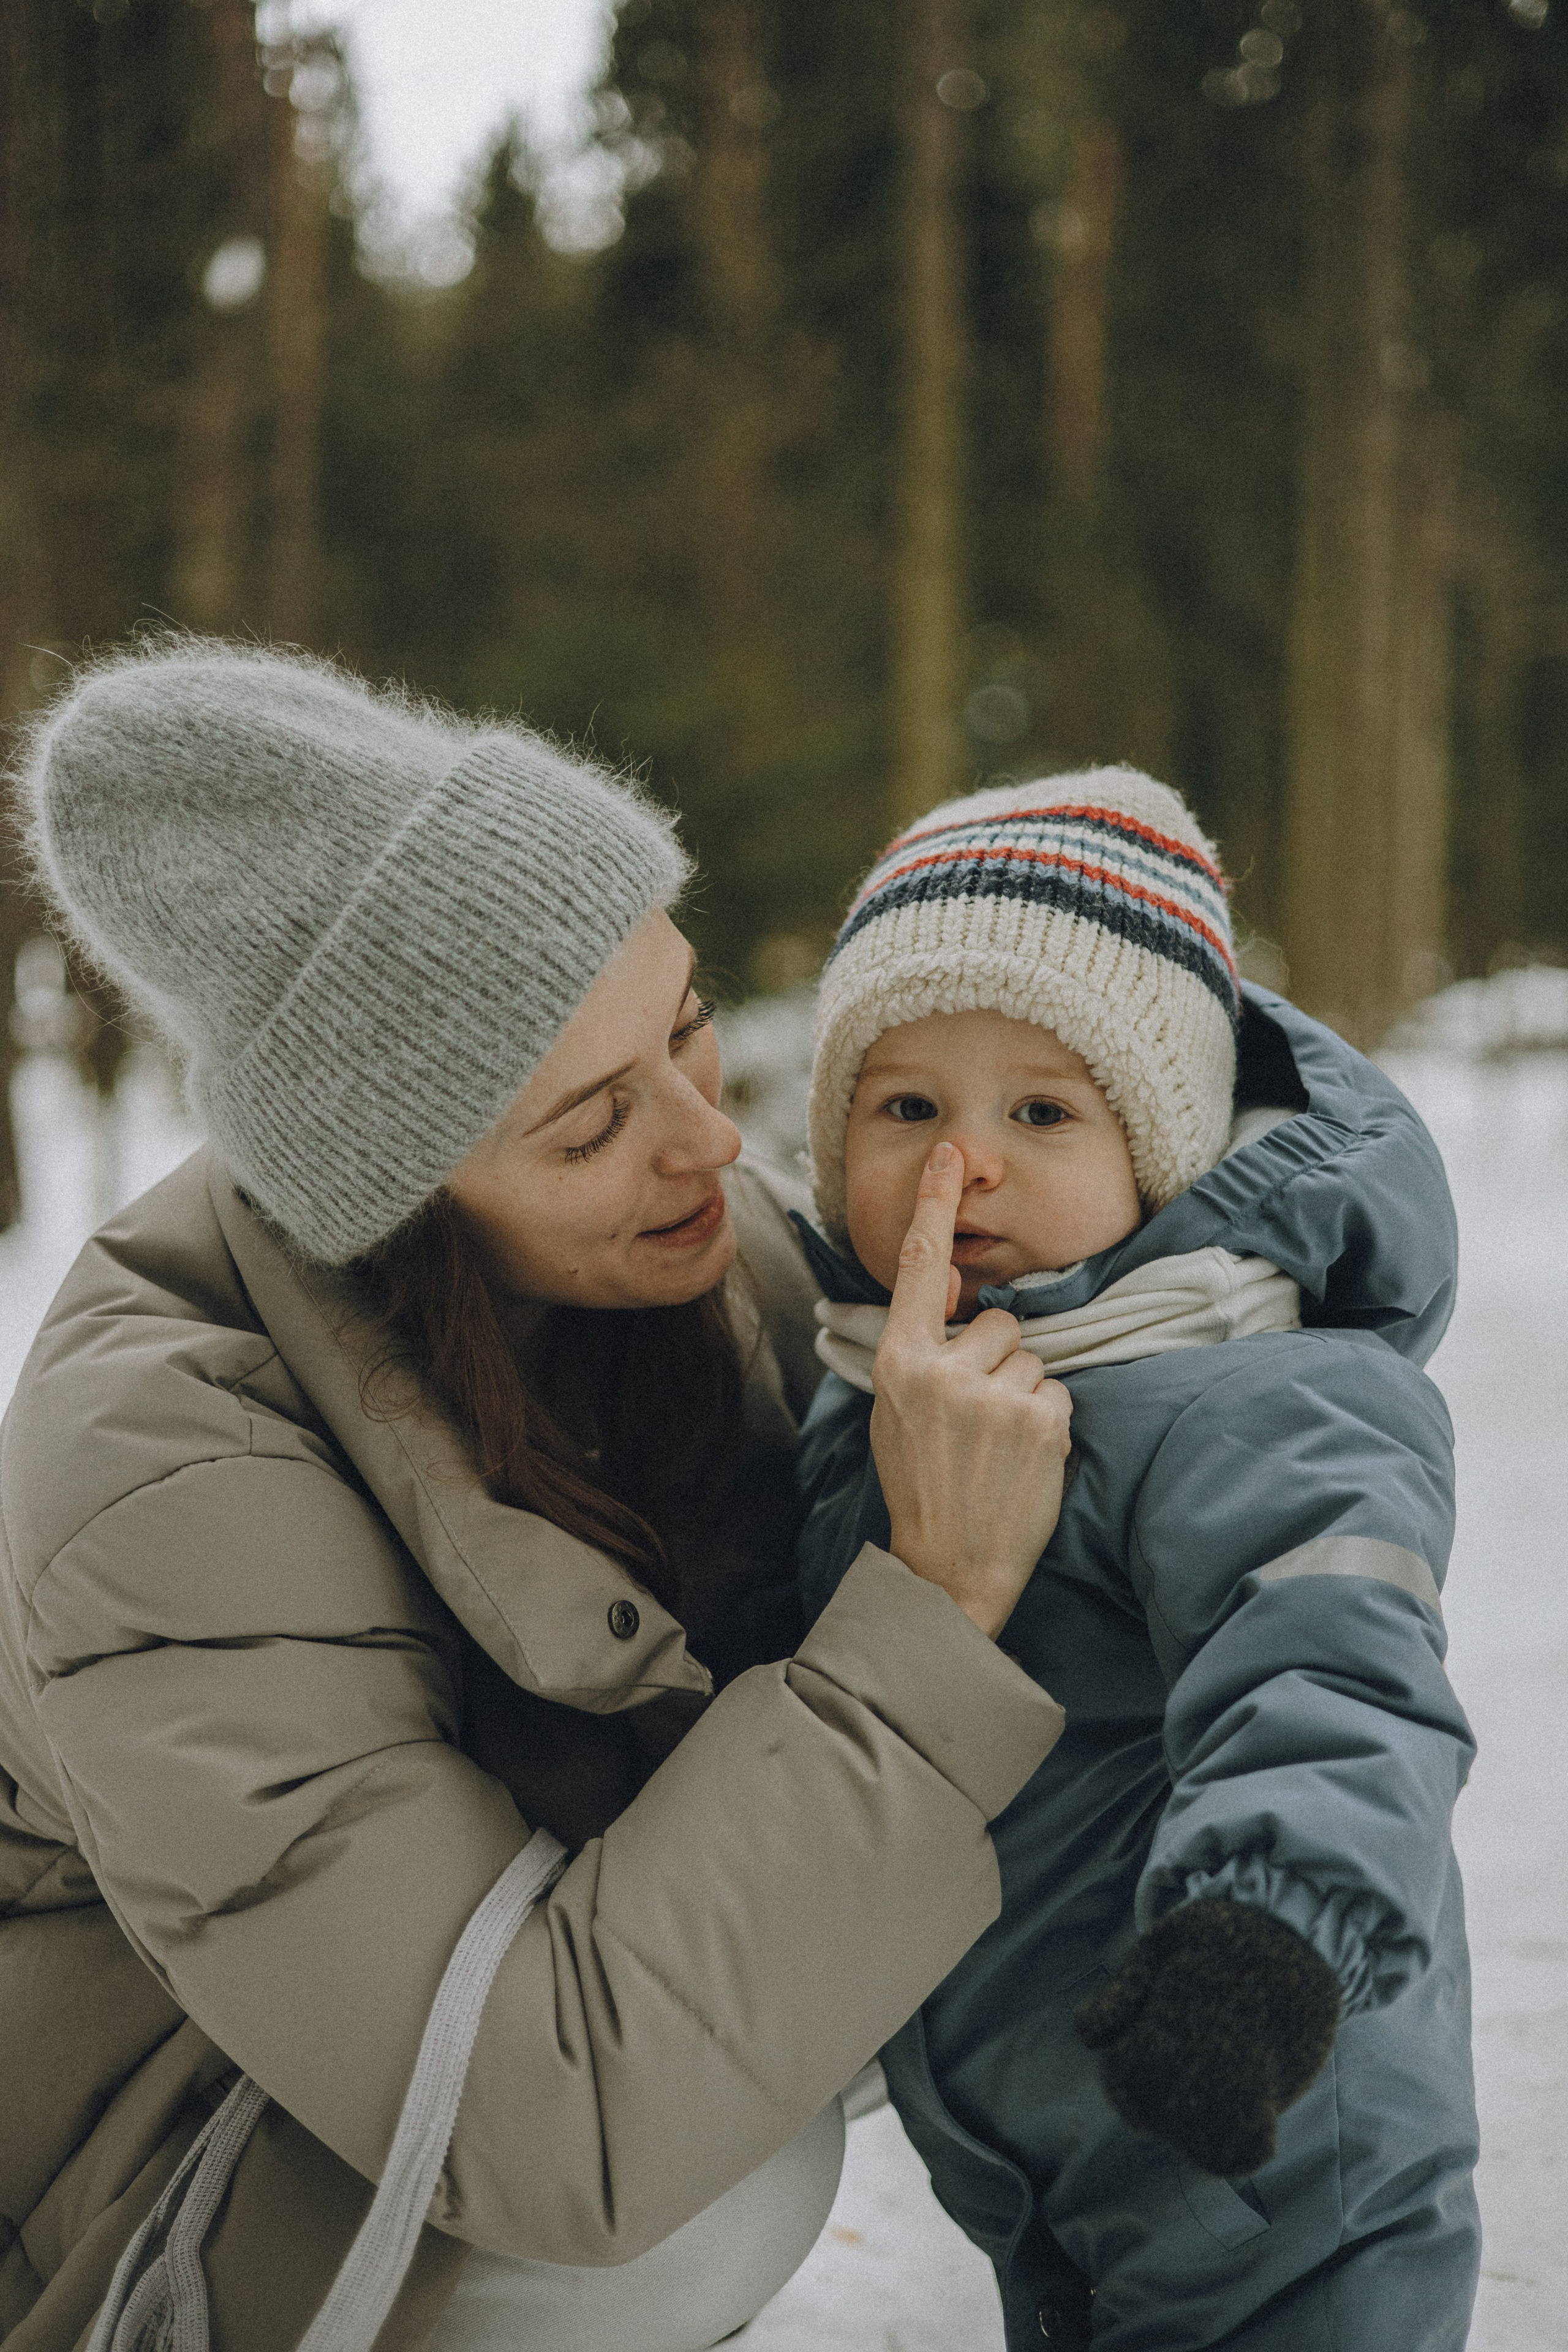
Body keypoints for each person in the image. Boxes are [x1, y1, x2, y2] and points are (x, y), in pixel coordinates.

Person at [0, 638, 1075, 2352]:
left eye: (691, 1025)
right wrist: (932, 1613)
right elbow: (545, 2116)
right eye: (591, 1128)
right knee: (714, 2189)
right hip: (164, 2174)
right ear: (398, 1207)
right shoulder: (165, 1472)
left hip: (460, 2042)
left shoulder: (687, 1277)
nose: (710, 1144)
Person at [792, 771, 1480, 2351]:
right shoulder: (867, 1394)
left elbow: (1337, 1668)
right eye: (908, 1110)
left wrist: (1267, 1930)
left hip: (1275, 2127)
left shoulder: (1255, 1394)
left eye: (1040, 1112)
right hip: (1048, 2152)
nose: (963, 1170)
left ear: (1158, 1154)